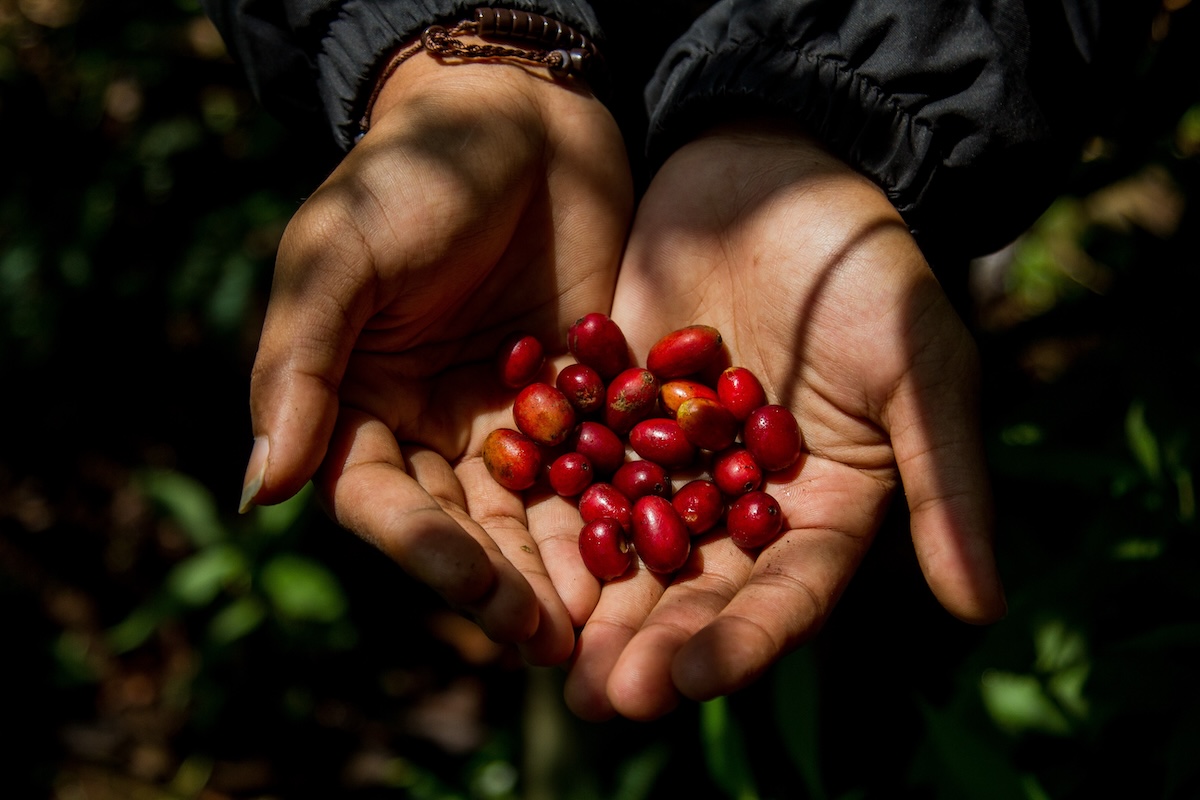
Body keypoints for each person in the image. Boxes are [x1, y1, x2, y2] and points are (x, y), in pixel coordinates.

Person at [208, 0, 1155, 721]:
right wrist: (452, 52)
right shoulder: (625, 424)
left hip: (836, 192)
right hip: (630, 145)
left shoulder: (659, 431)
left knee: (857, 658)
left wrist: (843, 105)